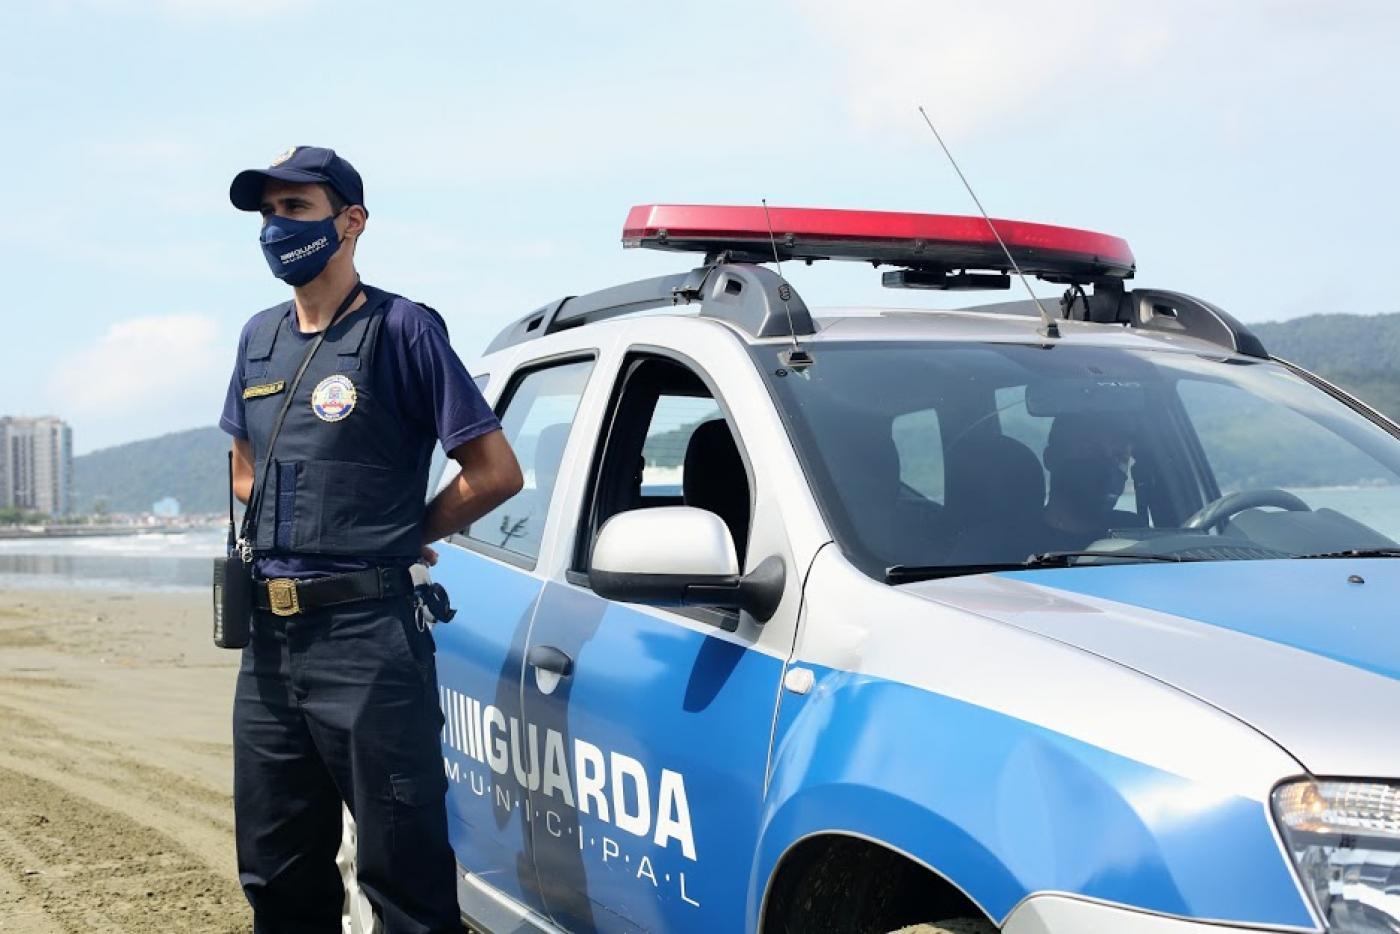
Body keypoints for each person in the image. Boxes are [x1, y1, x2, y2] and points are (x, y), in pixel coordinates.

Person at [219, 145, 523, 933]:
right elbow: (243, 468)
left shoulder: (403, 329)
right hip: (269, 647)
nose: (276, 228)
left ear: (349, 222)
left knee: (405, 875)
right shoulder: (257, 339)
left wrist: (401, 532)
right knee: (276, 874)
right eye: (268, 214)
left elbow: (492, 472)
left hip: (368, 644)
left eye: (296, 209)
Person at [1036, 413, 1139, 552]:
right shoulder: (1013, 542)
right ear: (1051, 457)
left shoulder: (1135, 534)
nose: (1108, 467)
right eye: (1090, 451)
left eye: (1120, 457)